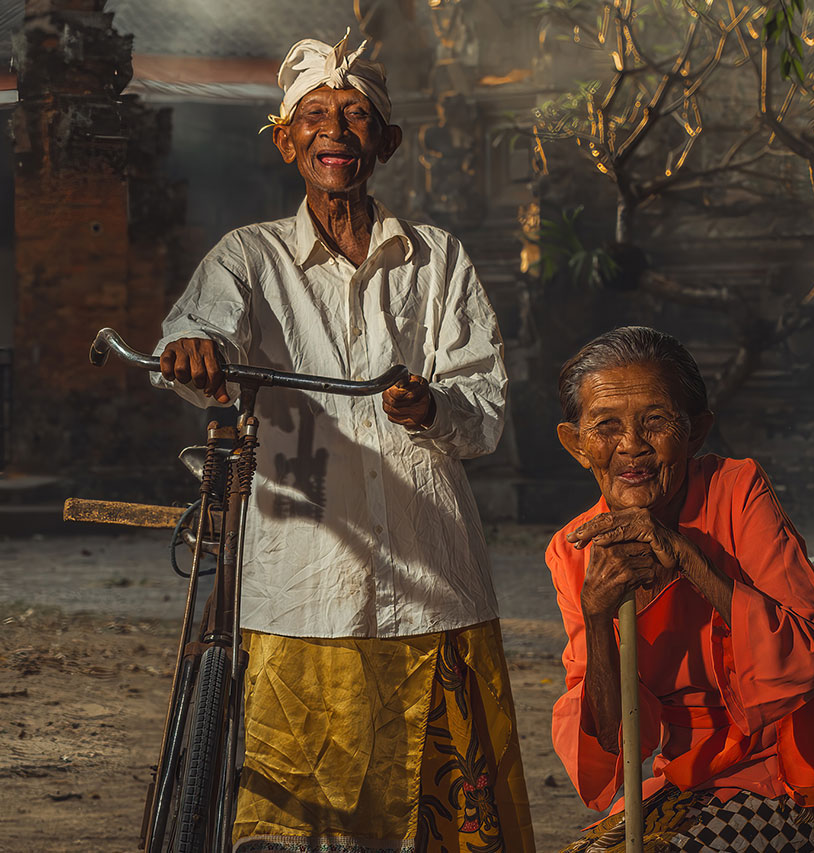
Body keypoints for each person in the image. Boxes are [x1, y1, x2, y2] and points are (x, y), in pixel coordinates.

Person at [154, 29, 536, 853]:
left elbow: (484, 410)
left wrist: (430, 406)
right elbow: (197, 337)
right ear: (288, 139)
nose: (336, 130)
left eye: (357, 115)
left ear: (386, 142)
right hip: (303, 581)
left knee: (444, 811)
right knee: (298, 808)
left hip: (433, 581)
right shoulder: (248, 258)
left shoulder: (438, 261)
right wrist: (196, 353)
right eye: (316, 115)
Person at [545, 326, 814, 853]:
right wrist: (596, 618)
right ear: (576, 445)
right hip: (697, 772)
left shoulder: (738, 490)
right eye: (606, 426)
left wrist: (685, 558)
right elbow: (614, 739)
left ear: (696, 431)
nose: (631, 445)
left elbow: (805, 657)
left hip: (810, 774)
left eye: (656, 421)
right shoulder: (573, 550)